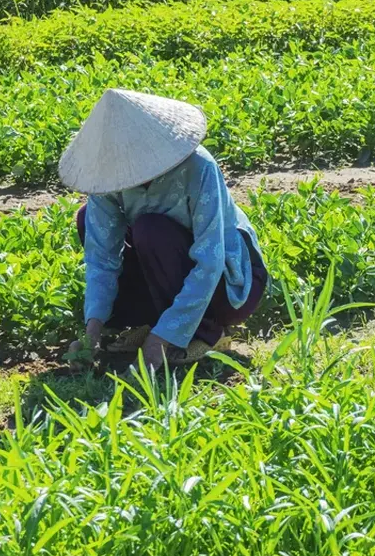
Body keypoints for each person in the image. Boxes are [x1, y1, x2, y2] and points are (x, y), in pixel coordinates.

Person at [59, 89, 268, 368]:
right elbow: (102, 259)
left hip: (226, 286)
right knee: (89, 219)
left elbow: (210, 260)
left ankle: (205, 333)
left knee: (151, 230)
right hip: (163, 270)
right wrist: (92, 333)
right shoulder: (108, 179)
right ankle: (156, 321)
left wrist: (161, 341)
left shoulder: (198, 167)